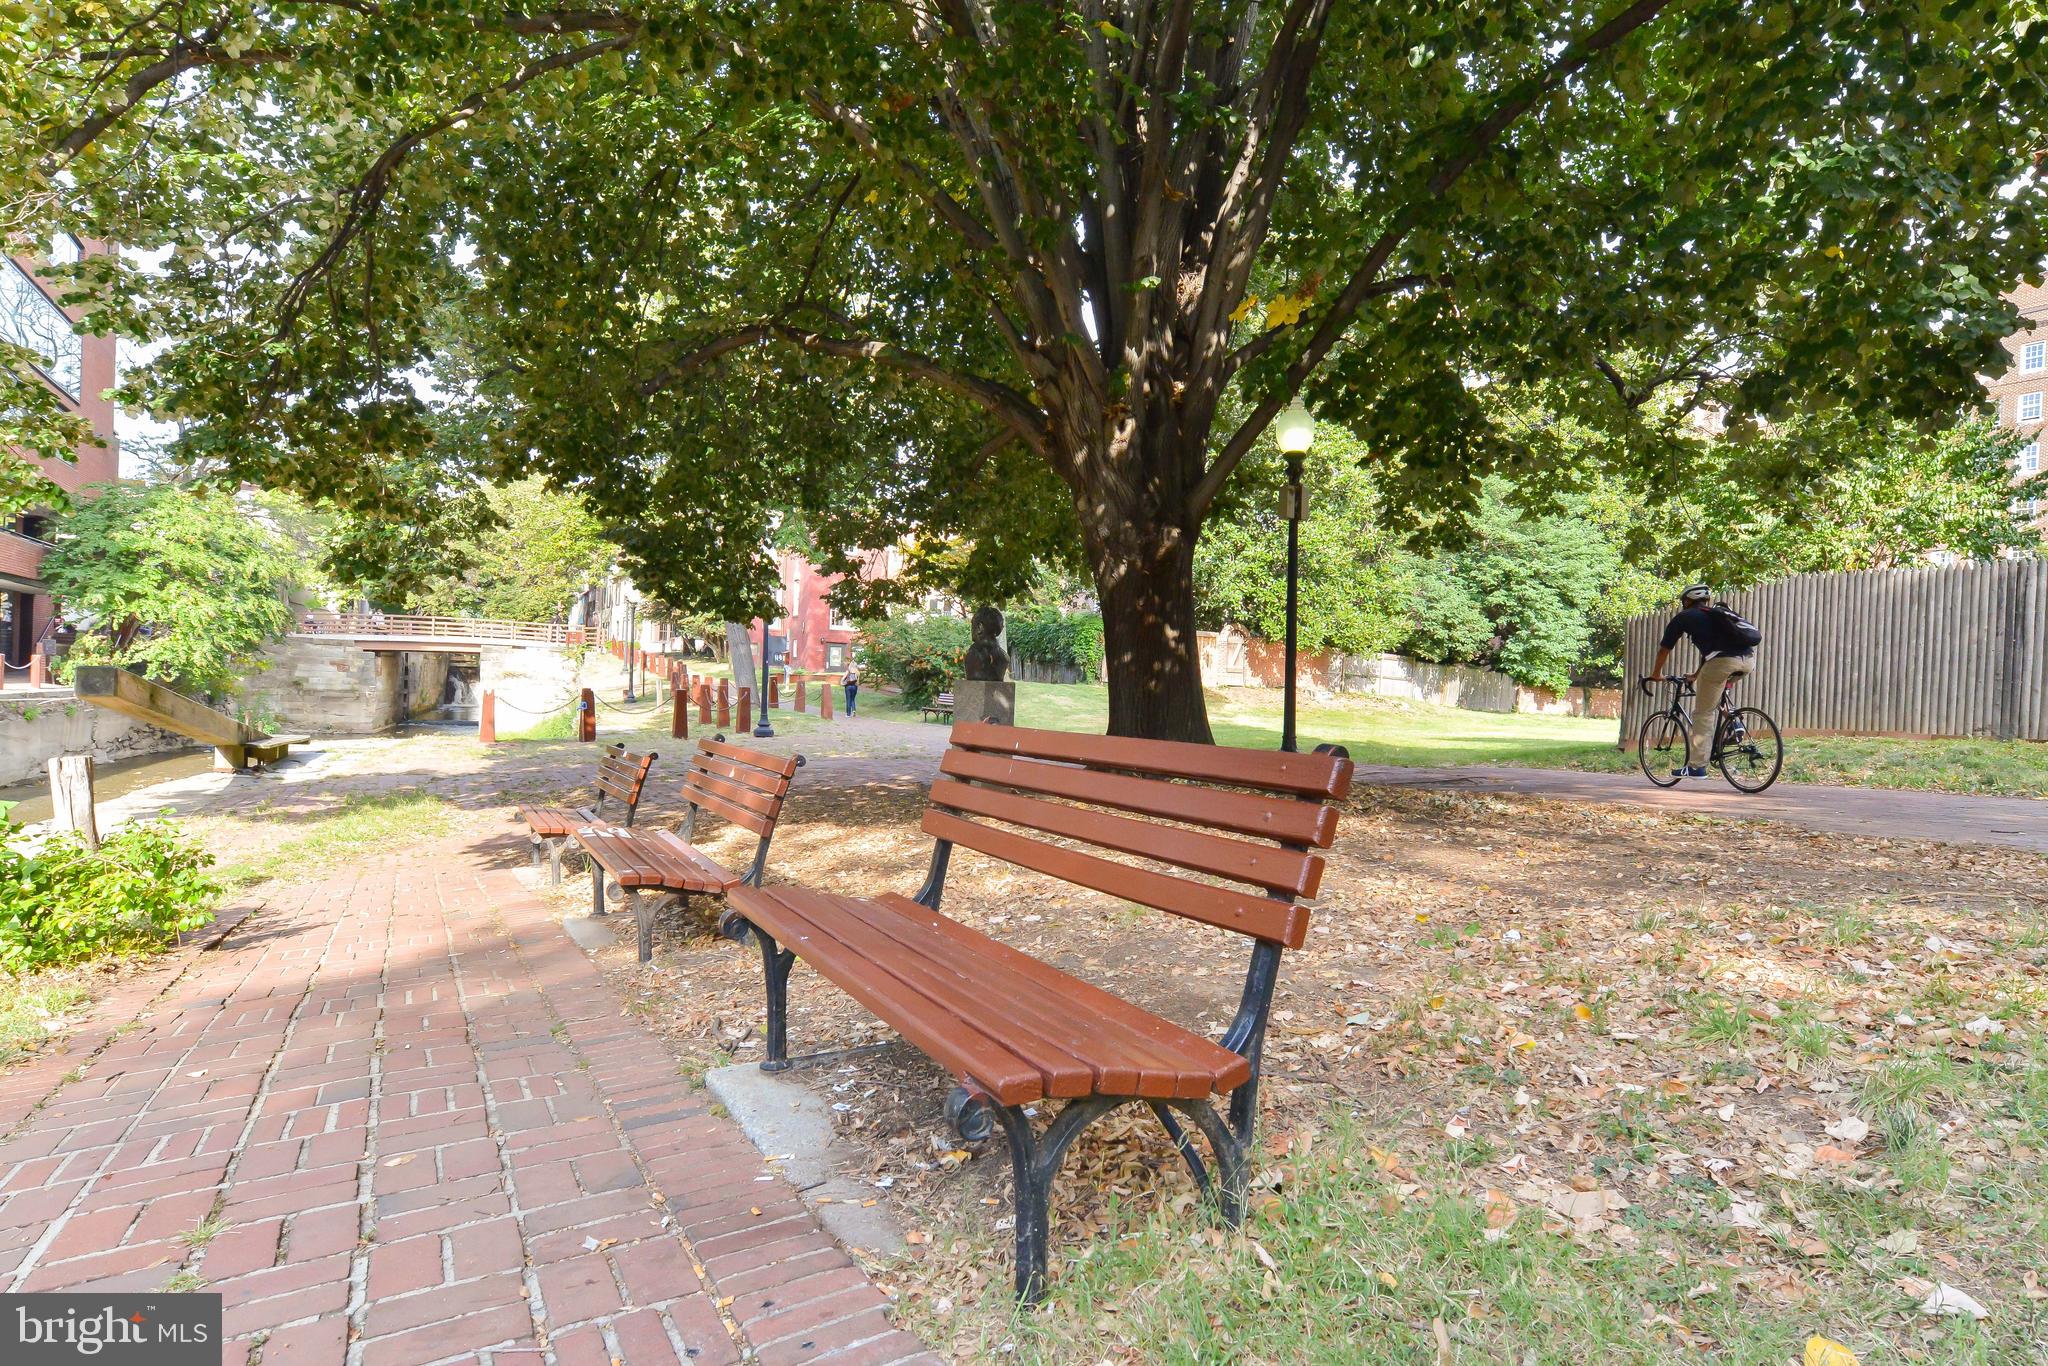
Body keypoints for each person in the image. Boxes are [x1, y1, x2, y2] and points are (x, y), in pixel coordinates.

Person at [1648, 583, 1760, 778]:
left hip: (1722, 663)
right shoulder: (1716, 615)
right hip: (1747, 661)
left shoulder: (1684, 617)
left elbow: (1664, 649)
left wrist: (1656, 674)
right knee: (1716, 694)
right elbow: (1710, 653)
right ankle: (1735, 723)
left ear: (1687, 600)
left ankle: (1696, 766)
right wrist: (1696, 674)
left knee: (1703, 713)